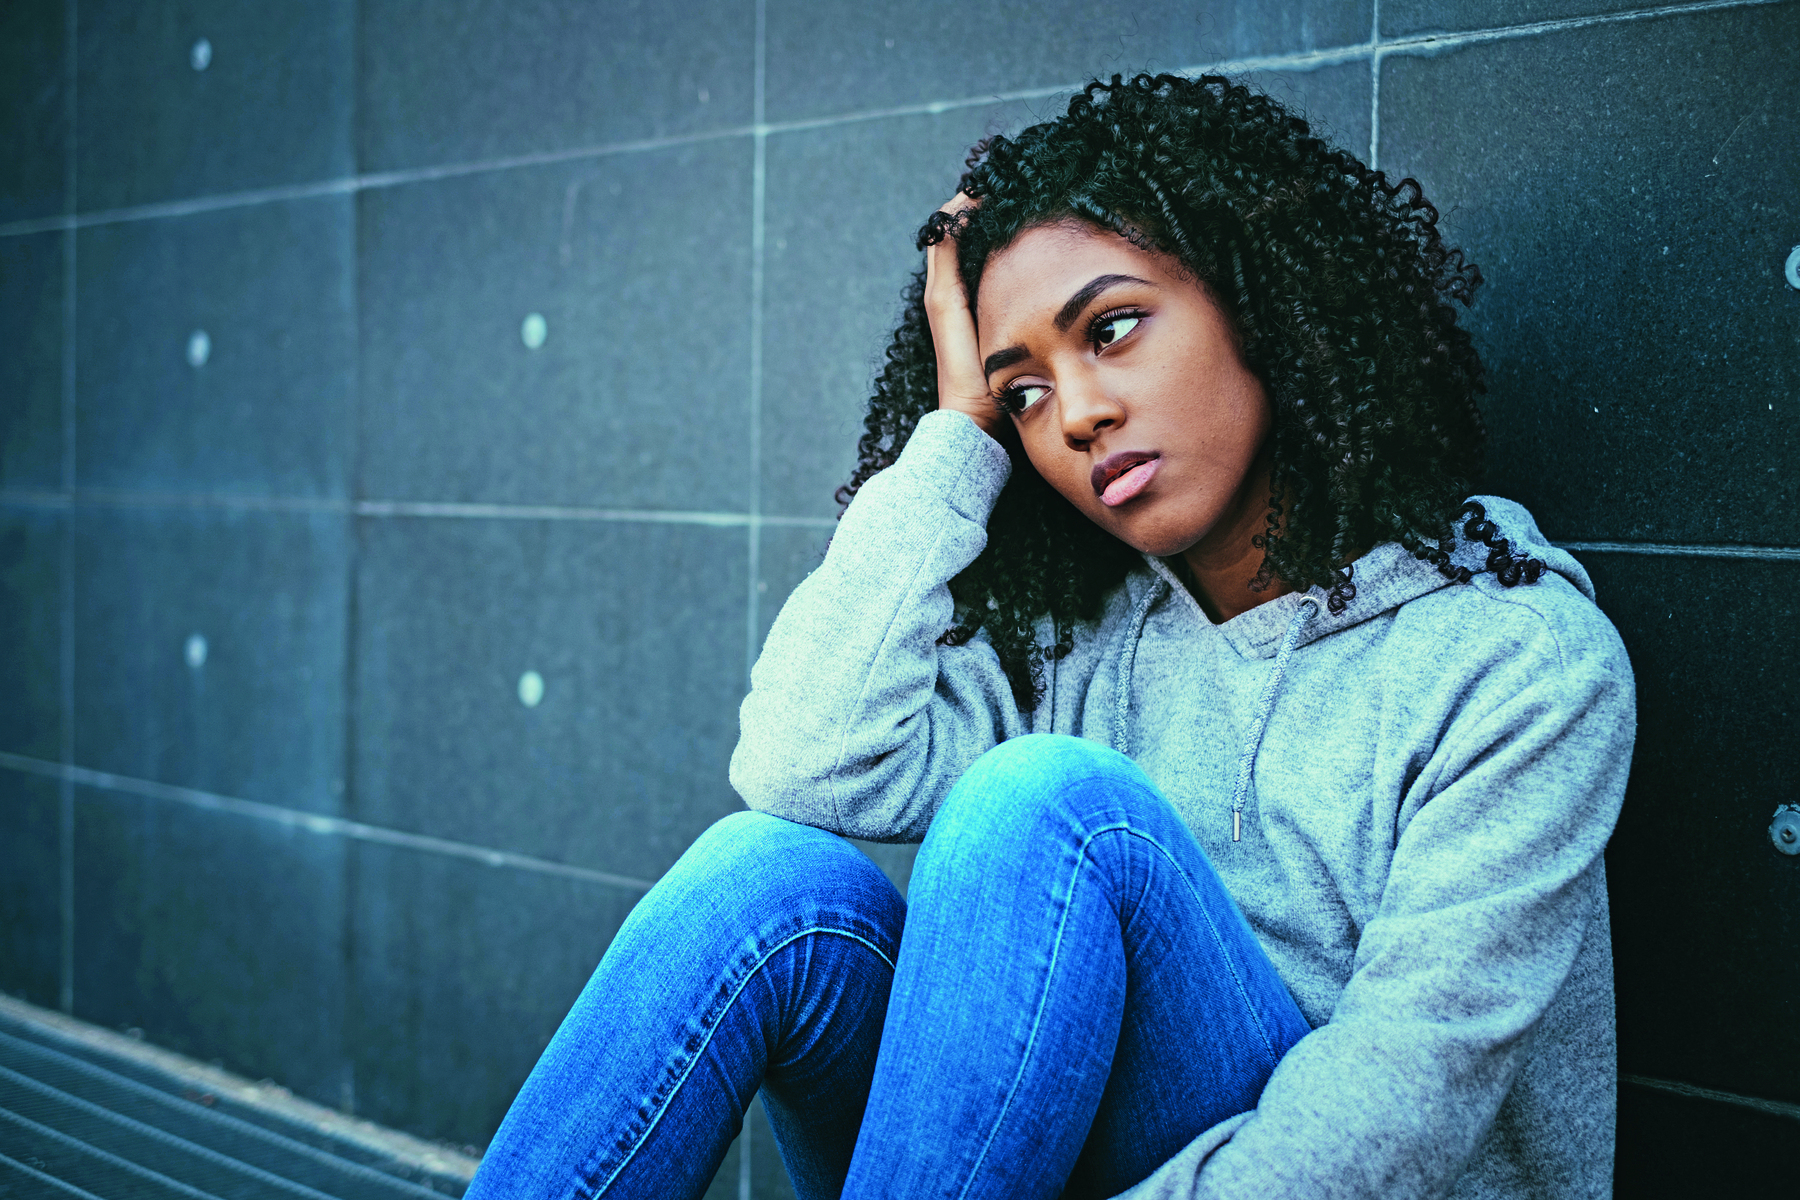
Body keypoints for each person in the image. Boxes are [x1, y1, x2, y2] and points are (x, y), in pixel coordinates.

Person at [466, 73, 1635, 1200]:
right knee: (765, 880)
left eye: (1114, 329)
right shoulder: (1085, 641)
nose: (1075, 413)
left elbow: (1403, 1104)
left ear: (1261, 305)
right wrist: (956, 430)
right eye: (1023, 391)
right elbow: (801, 761)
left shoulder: (1515, 658)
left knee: (1051, 804)